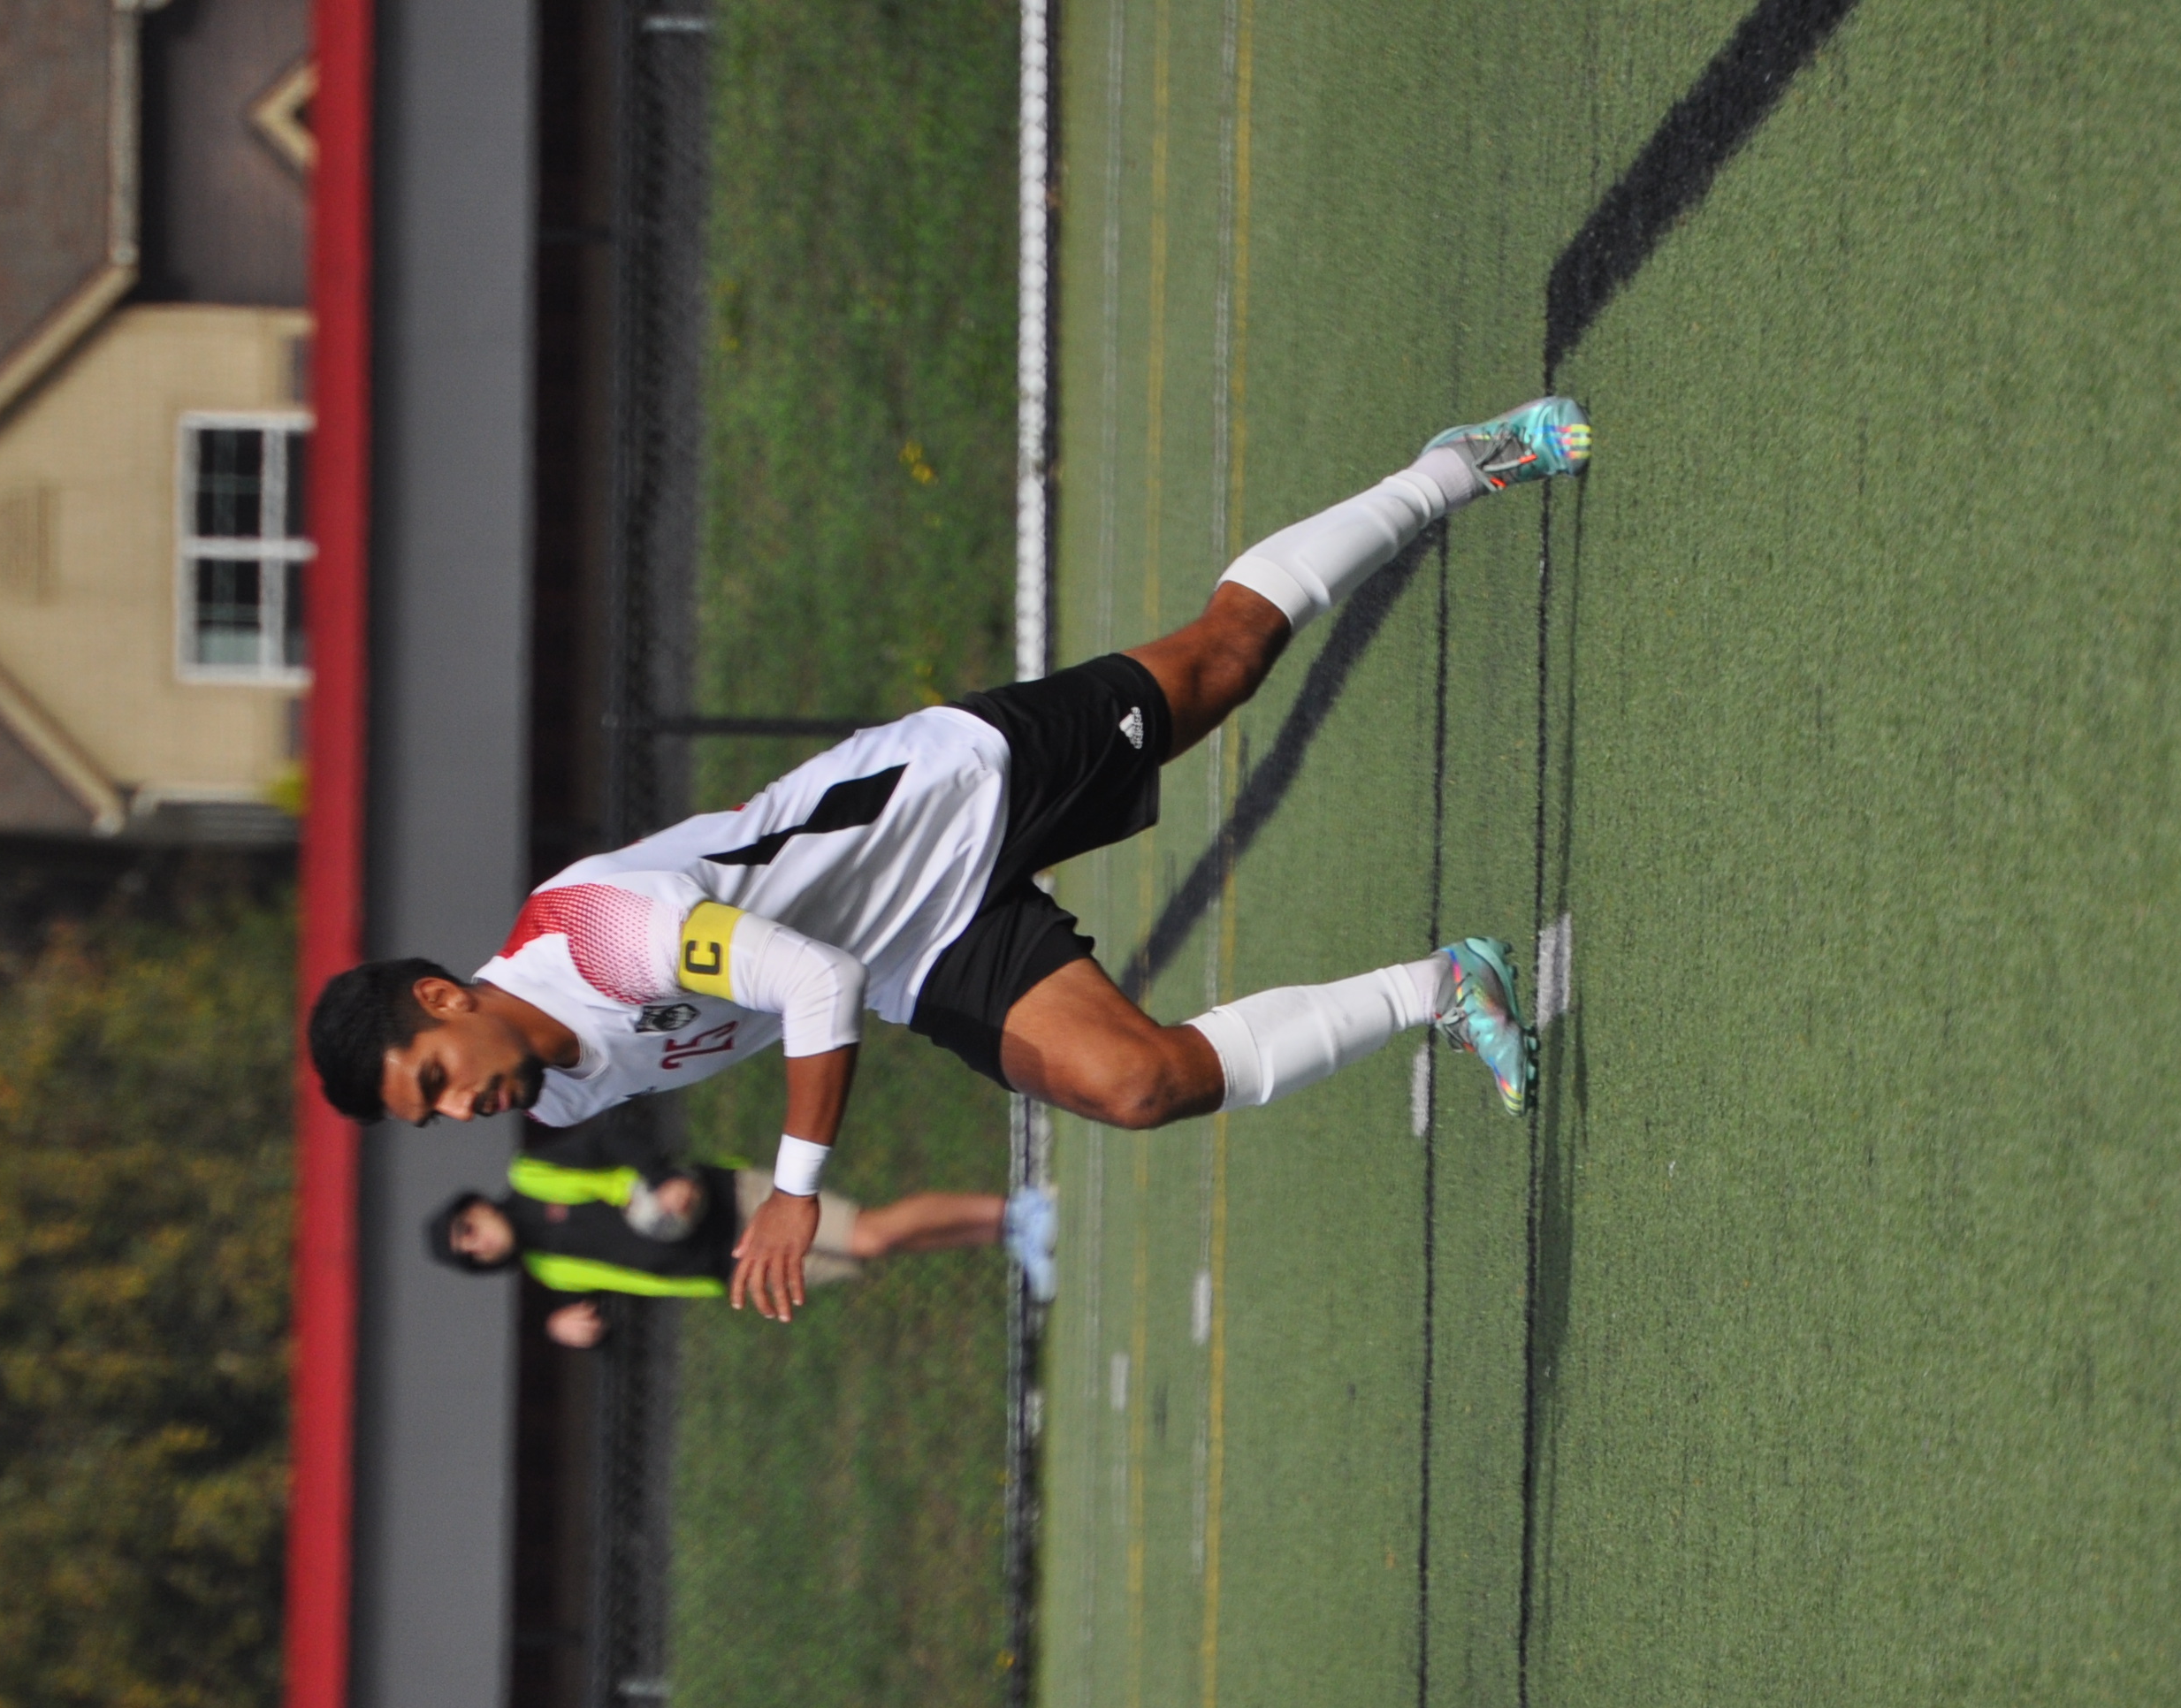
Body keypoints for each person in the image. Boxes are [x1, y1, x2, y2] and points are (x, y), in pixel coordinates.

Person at [305, 396, 1595, 1322]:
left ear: (442, 998)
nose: (466, 1110)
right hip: (915, 954)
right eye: (437, 1117)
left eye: (438, 1077)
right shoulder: (564, 1096)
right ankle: (1443, 987)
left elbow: (801, 982)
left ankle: (1457, 465)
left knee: (1227, 656)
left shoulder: (593, 932)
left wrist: (796, 1191)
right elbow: (806, 987)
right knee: (1138, 1087)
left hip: (949, 793)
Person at [431, 1155, 1058, 1346]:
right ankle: (1008, 1234)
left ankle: (1019, 1210)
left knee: (869, 1231)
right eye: (470, 1251)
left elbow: (615, 1146)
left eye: (468, 1227)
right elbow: (623, 1305)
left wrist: (668, 1182)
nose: (478, 1240)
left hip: (732, 1203)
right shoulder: (548, 1270)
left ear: (476, 1206)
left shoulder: (530, 1179)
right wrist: (572, 1328)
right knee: (872, 1251)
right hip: (730, 1265)